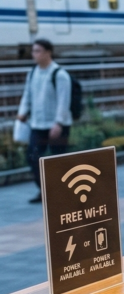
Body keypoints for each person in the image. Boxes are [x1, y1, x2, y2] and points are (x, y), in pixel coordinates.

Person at [17, 38, 72, 203]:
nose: (34, 54)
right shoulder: (32, 72)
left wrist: (59, 123)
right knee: (33, 157)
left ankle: (64, 193)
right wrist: (22, 112)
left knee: (58, 160)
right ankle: (45, 191)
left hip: (57, 125)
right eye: (33, 51)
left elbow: (64, 101)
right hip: (38, 124)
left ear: (48, 52)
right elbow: (27, 94)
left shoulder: (59, 74)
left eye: (38, 51)